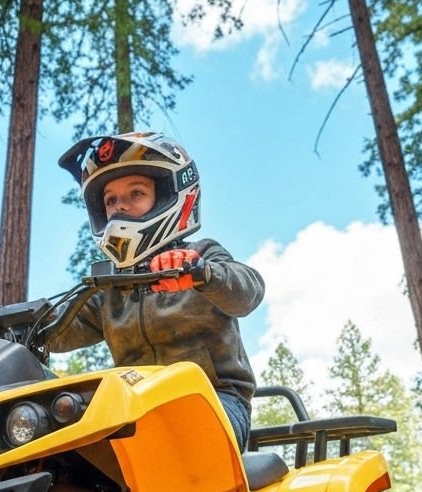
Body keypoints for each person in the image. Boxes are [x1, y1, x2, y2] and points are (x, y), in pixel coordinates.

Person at [50, 131, 264, 450]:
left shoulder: (201, 256)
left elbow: (249, 290)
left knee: (177, 434)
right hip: (136, 406)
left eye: (136, 193)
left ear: (166, 196)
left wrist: (201, 273)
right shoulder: (109, 288)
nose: (120, 207)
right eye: (110, 200)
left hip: (214, 399)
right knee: (71, 451)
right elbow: (58, 329)